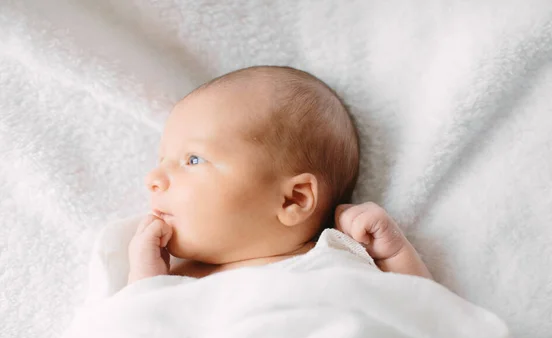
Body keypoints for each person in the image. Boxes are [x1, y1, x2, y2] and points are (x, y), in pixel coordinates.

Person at [128, 65, 432, 283]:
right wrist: (142, 281)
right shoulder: (173, 281)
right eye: (162, 159)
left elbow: (430, 322)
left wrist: (393, 254)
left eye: (193, 159)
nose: (153, 177)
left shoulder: (338, 259)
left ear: (292, 199)